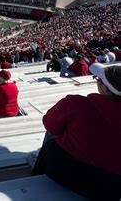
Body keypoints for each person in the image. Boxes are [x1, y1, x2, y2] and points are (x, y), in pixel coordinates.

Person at [32, 63, 121, 200]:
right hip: (111, 186)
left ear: (105, 88)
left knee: (52, 132)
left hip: (65, 171)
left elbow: (49, 124)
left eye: (97, 80)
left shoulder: (75, 103)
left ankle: (37, 172)